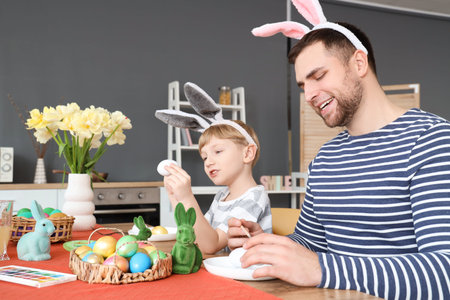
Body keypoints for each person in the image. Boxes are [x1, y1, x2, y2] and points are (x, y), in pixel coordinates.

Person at [227, 1, 450, 299]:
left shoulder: (432, 141)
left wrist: (322, 269)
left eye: (318, 76)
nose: (309, 95)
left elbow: (443, 272)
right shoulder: (326, 158)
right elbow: (309, 243)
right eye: (303, 85)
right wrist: (267, 244)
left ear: (359, 63)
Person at [155, 83, 272, 255]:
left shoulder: (254, 198)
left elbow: (211, 244)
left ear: (247, 153)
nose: (208, 162)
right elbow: (196, 236)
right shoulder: (221, 197)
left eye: (218, 151)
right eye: (204, 157)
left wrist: (187, 197)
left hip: (246, 279)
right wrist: (175, 197)